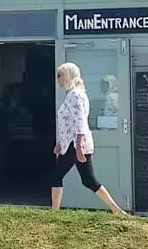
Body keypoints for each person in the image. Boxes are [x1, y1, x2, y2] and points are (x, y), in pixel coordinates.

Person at [50, 64, 125, 214]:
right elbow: (69, 123)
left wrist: (79, 146)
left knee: (65, 176)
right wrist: (60, 143)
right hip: (70, 143)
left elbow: (79, 121)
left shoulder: (75, 95)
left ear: (67, 76)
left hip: (75, 144)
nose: (58, 79)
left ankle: (55, 212)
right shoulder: (74, 94)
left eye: (60, 75)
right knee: (85, 179)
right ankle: (115, 209)